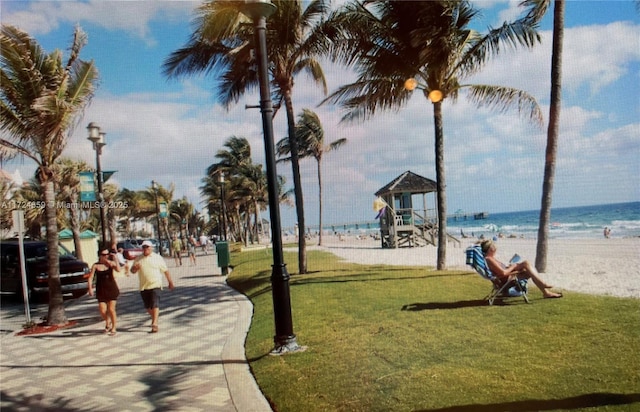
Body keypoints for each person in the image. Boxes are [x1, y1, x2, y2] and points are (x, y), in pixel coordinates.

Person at [479, 240, 562, 299]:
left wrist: (510, 267)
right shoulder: (489, 259)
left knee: (528, 269)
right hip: (508, 280)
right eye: (494, 247)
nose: (495, 248)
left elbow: (500, 271)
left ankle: (546, 292)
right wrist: (513, 266)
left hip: (508, 277)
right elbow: (503, 273)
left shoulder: (490, 258)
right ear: (490, 249)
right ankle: (544, 287)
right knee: (526, 263)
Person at [130, 240, 175, 333]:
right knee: (148, 307)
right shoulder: (138, 259)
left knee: (155, 304)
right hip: (144, 286)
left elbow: (165, 270)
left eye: (147, 247)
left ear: (151, 248)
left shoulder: (157, 258)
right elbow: (132, 271)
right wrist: (135, 268)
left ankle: (154, 323)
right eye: (144, 247)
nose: (145, 249)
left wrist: (170, 282)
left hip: (156, 284)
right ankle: (155, 318)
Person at [88, 247, 122, 335]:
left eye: (107, 254)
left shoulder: (110, 264)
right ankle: (108, 320)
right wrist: (90, 288)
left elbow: (118, 269)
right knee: (102, 310)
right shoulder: (95, 265)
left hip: (111, 289)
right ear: (100, 255)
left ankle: (114, 327)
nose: (106, 256)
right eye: (104, 255)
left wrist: (115, 259)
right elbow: (90, 277)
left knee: (111, 309)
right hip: (101, 290)